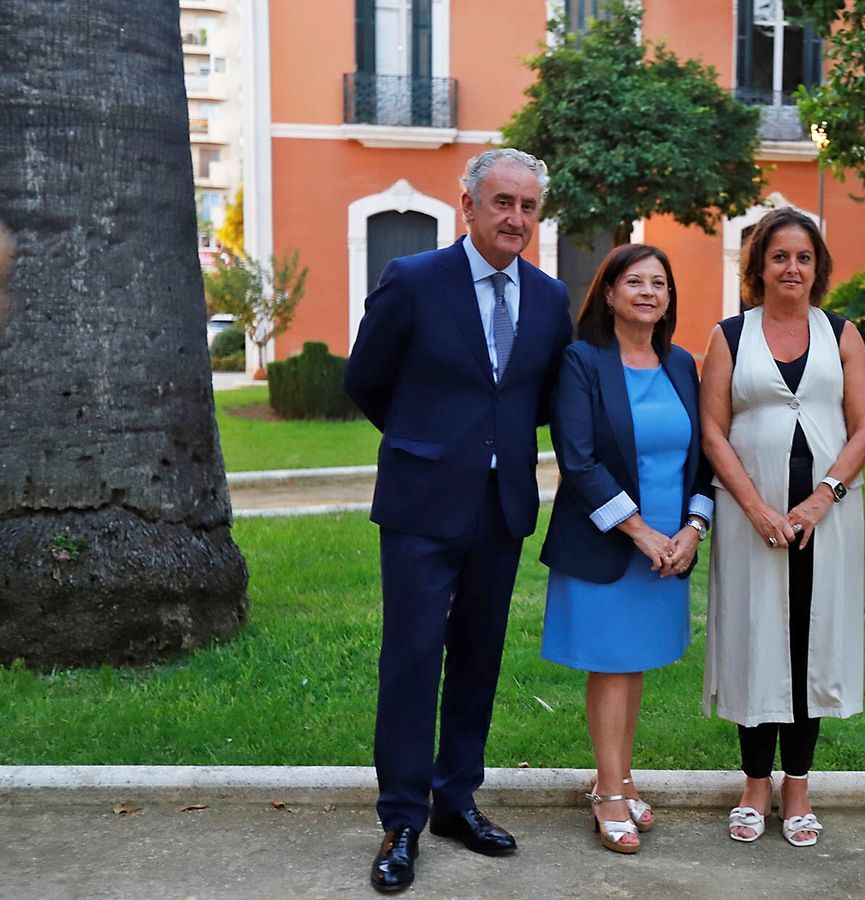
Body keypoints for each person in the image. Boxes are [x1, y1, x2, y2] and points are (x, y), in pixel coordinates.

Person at [344, 148, 572, 893]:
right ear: (468, 205)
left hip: (502, 505)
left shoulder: (548, 297)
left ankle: (456, 800)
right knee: (412, 658)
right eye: (503, 202)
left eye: (528, 207)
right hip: (421, 502)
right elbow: (367, 377)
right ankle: (402, 820)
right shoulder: (414, 281)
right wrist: (426, 443)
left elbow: (538, 400)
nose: (516, 218)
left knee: (478, 656)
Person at [700, 207, 865, 848]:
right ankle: (754, 783)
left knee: (811, 639)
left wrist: (821, 498)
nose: (792, 268)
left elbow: (864, 427)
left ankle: (797, 783)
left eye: (804, 257)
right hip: (752, 519)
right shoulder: (729, 335)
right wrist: (755, 507)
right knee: (757, 639)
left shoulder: (842, 333)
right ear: (758, 267)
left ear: (818, 267)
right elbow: (714, 431)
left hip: (826, 519)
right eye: (779, 257)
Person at [539, 243, 713, 854]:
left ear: (669, 299)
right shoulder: (582, 361)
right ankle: (608, 792)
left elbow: (703, 458)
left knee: (632, 664)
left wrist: (692, 528)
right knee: (611, 664)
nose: (647, 292)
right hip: (611, 540)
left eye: (659, 284)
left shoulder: (683, 365)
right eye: (633, 281)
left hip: (671, 545)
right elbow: (578, 460)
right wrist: (639, 532)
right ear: (608, 294)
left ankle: (620, 776)